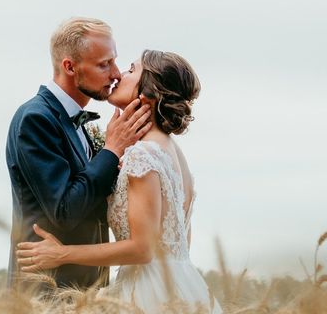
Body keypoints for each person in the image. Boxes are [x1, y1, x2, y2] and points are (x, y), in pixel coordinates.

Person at [16, 49, 222, 313]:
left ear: (148, 93)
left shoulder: (143, 155)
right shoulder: (173, 152)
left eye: (131, 70)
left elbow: (143, 249)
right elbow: (179, 241)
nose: (119, 75)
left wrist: (62, 254)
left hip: (148, 293)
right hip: (183, 286)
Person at [6, 17, 152, 290]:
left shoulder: (75, 122)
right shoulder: (36, 119)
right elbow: (64, 210)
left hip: (88, 292)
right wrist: (111, 150)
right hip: (48, 291)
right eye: (103, 64)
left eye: (114, 61)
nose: (116, 74)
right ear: (70, 66)